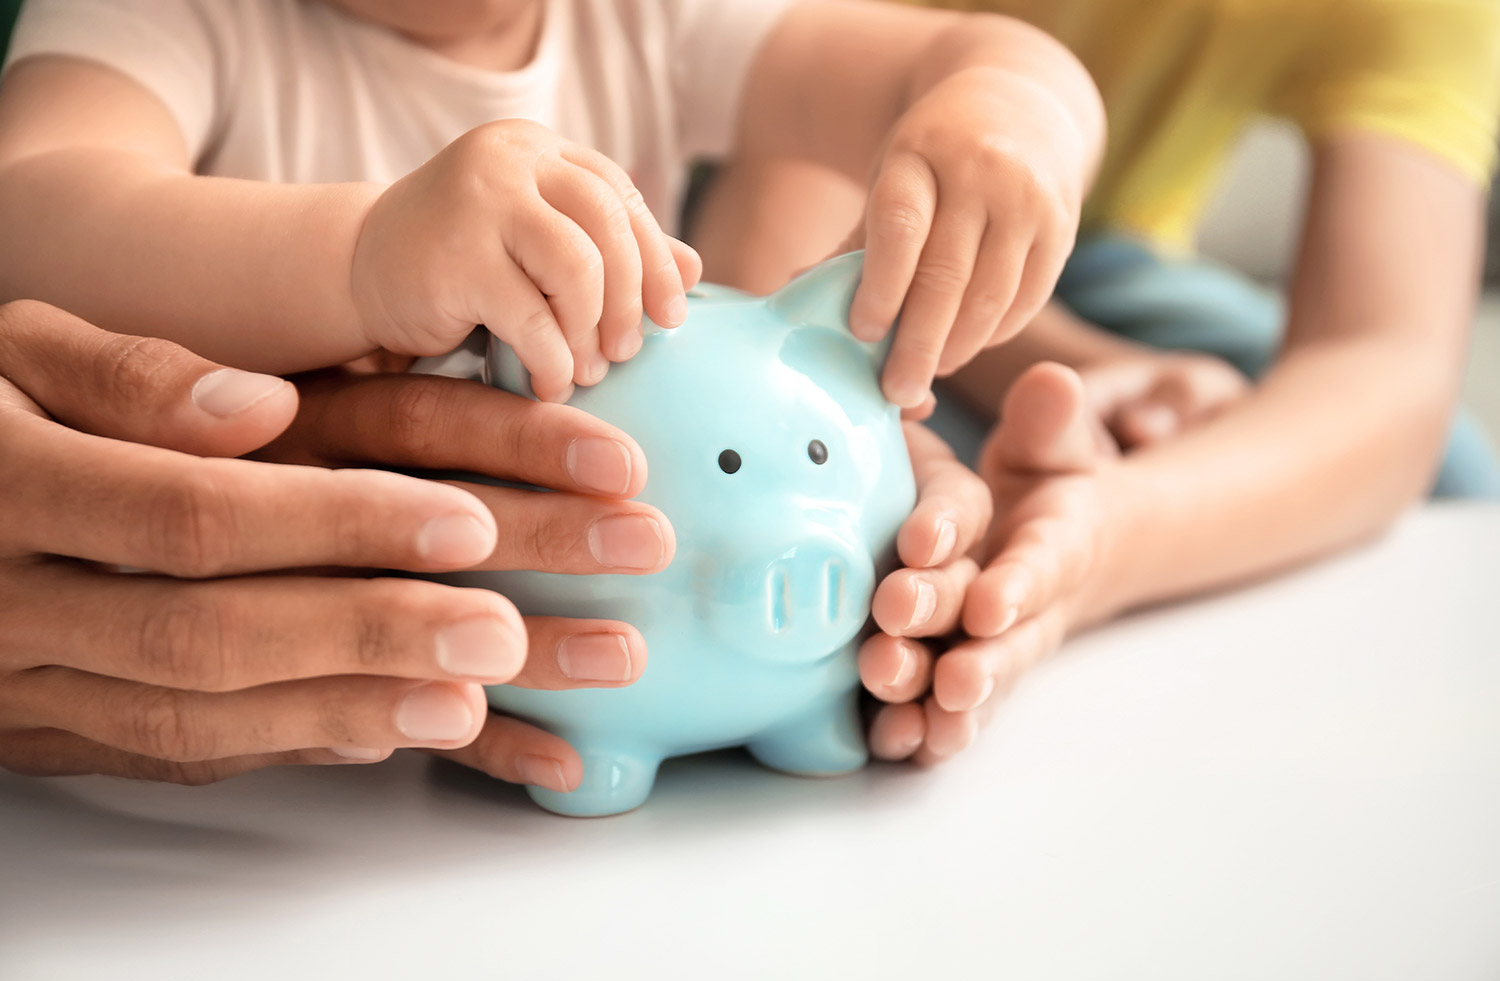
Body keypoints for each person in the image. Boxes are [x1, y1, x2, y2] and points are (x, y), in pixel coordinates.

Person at [0, 0, 1082, 785]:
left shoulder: (646, 20)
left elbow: (961, 51)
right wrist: (361, 256)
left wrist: (1010, 107)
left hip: (576, 643)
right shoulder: (171, 19)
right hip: (240, 699)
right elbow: (31, 208)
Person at [689, 0, 1500, 761]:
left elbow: (1387, 364)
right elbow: (782, 277)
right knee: (897, 531)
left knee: (1453, 474)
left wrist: (1104, 543)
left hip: (1097, 268)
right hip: (856, 254)